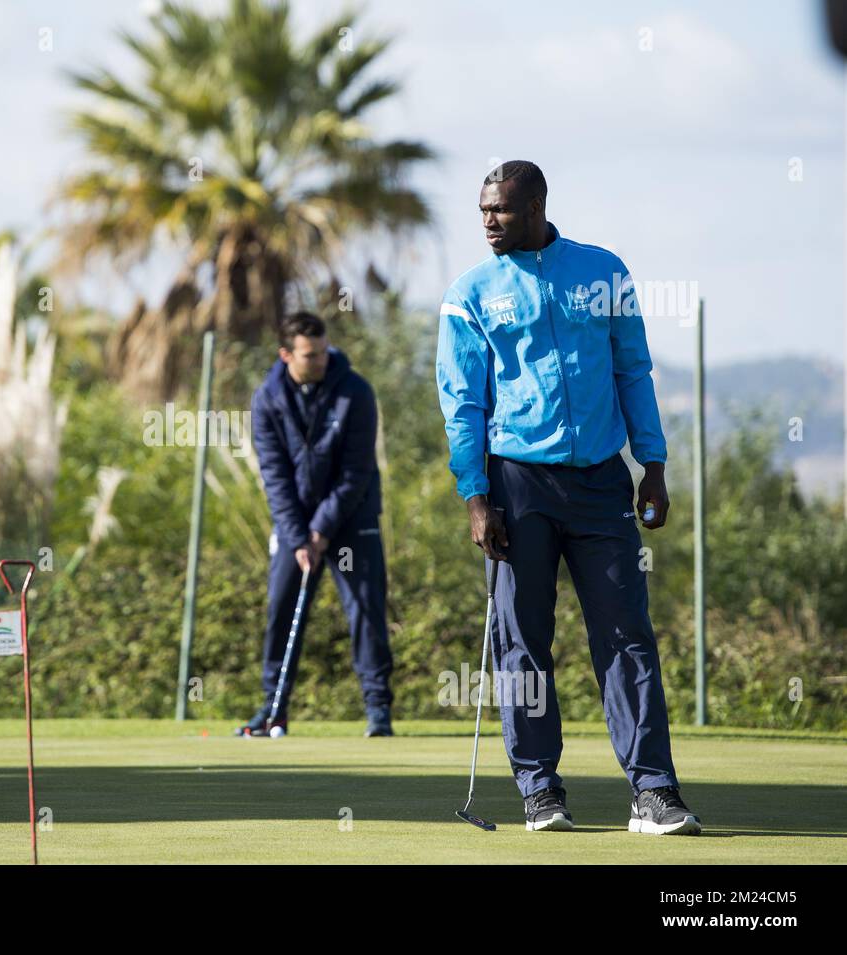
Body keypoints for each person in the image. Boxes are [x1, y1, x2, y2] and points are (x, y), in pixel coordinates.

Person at [434, 160, 701, 835]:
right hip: (516, 485)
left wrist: (655, 464)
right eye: (482, 211)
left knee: (626, 633)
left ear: (535, 204)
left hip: (601, 482)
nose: (488, 222)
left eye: (500, 209)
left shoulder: (602, 271)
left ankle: (653, 791)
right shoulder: (469, 293)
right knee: (523, 642)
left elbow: (632, 369)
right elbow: (461, 403)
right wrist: (475, 495)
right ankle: (540, 790)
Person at [237, 312, 394, 738]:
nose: (321, 359)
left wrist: (322, 530)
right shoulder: (267, 398)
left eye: (324, 350)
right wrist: (298, 535)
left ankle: (378, 710)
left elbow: (356, 471)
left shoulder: (355, 392)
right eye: (311, 354)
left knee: (365, 612)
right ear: (286, 354)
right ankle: (273, 708)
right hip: (295, 525)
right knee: (281, 609)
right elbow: (274, 475)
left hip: (352, 517)